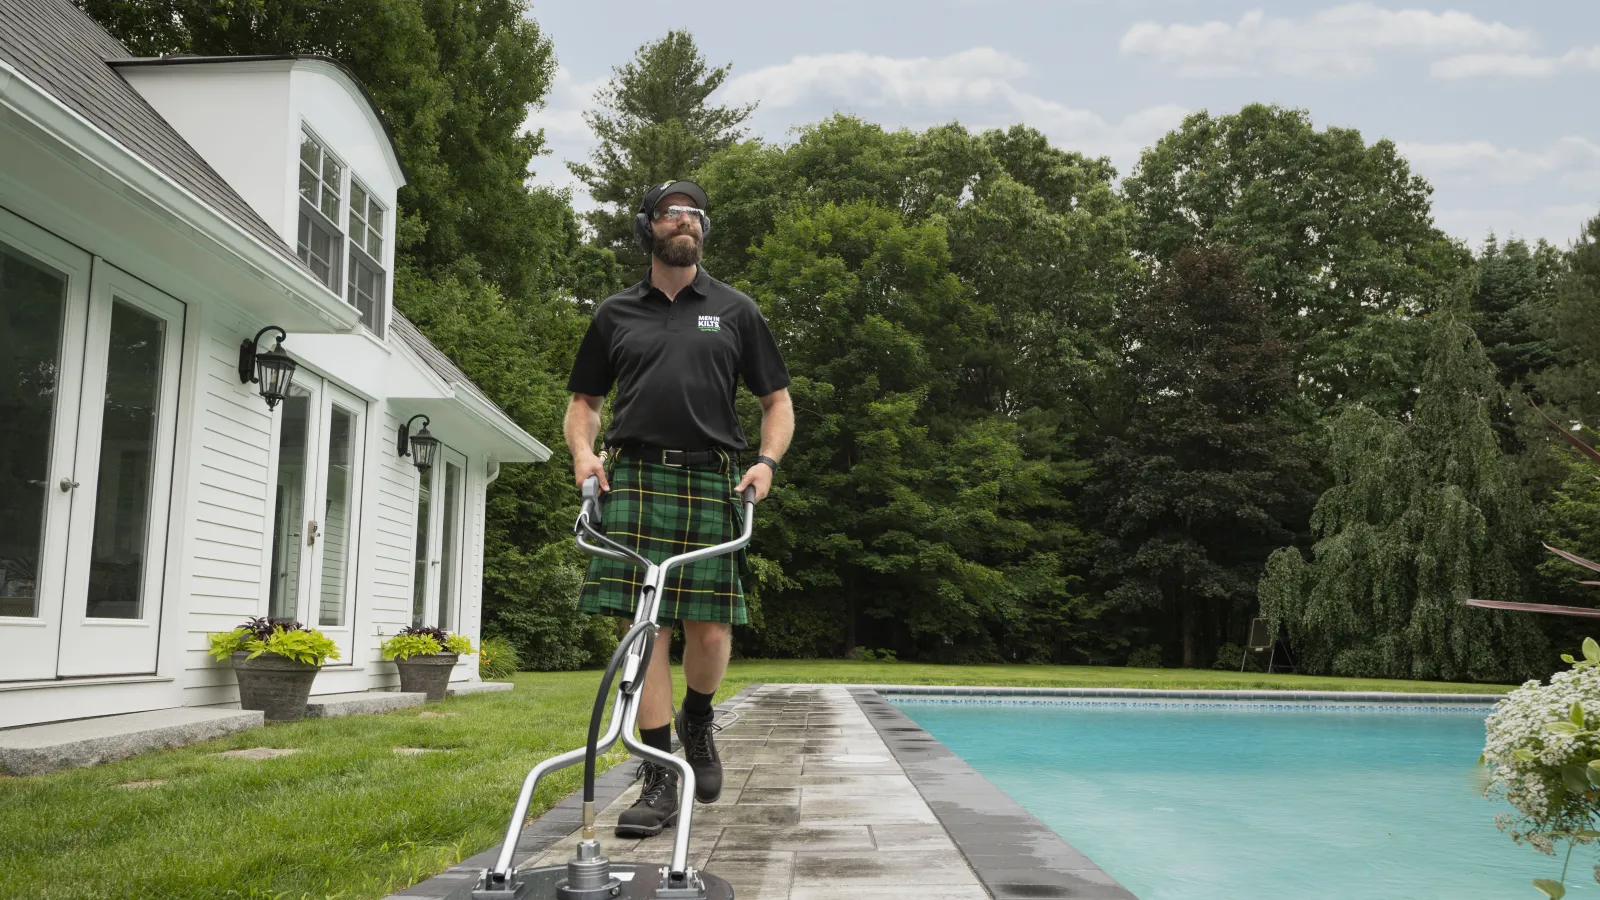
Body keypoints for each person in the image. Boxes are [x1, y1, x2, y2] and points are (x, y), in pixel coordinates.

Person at [563, 179, 794, 838]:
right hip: (634, 479)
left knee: (712, 631)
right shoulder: (614, 313)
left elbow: (776, 401)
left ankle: (699, 716)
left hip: (712, 478)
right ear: (649, 228)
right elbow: (584, 404)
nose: (685, 221)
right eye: (671, 213)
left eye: (695, 213)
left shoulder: (736, 310)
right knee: (647, 630)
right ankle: (660, 771)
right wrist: (585, 455)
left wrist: (767, 463)